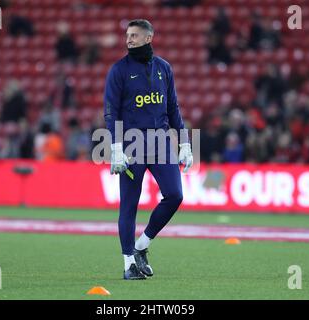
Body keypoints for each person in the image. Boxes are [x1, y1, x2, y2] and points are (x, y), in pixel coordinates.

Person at [103, 19, 193, 280]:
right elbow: (111, 111)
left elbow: (173, 108)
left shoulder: (164, 68)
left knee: (175, 195)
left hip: (160, 142)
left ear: (148, 38)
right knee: (129, 206)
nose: (128, 39)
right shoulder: (119, 70)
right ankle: (128, 263)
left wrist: (185, 143)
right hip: (131, 145)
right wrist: (116, 147)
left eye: (134, 35)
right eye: (127, 35)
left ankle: (142, 245)